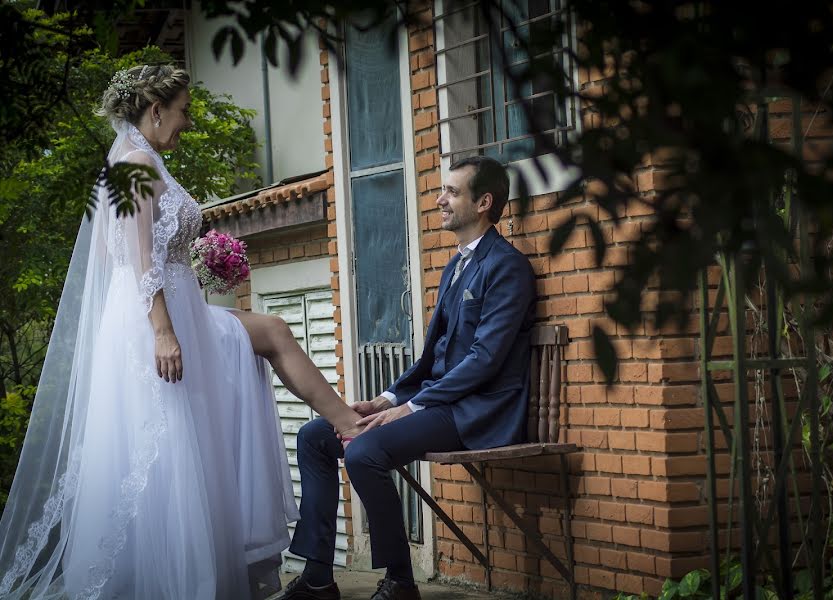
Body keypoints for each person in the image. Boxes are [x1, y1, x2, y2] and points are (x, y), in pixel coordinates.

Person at [0, 64, 362, 600]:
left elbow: (114, 252)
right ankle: (349, 424)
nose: (186, 122)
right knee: (196, 415)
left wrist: (188, 266)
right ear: (154, 111)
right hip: (159, 319)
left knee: (245, 362)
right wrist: (164, 331)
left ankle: (346, 422)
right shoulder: (140, 164)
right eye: (184, 111)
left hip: (165, 308)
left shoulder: (126, 165)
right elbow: (141, 260)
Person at [283, 156, 536, 600]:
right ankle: (319, 578)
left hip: (476, 410)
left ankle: (400, 581)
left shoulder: (507, 267)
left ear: (484, 203)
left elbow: (484, 360)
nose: (439, 199)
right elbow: (430, 361)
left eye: (452, 192)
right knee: (314, 435)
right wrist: (386, 399)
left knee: (364, 452)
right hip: (437, 402)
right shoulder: (456, 266)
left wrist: (410, 407)